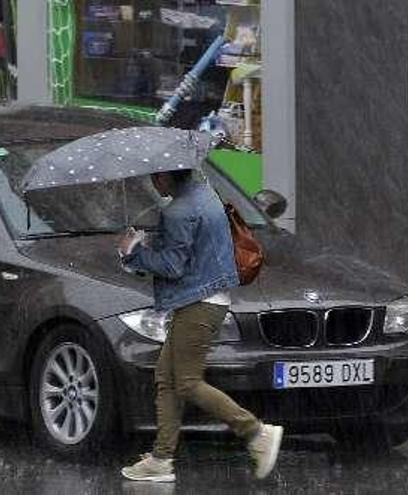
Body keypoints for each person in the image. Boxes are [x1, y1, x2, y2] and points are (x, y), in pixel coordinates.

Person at [117, 169, 283, 483]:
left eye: (155, 177)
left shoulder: (178, 210)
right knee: (166, 377)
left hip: (199, 303)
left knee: (188, 382)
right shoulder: (206, 195)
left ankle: (256, 432)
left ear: (166, 176)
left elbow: (172, 265)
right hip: (210, 298)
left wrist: (134, 252)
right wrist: (150, 241)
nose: (153, 182)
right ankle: (161, 458)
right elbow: (194, 249)